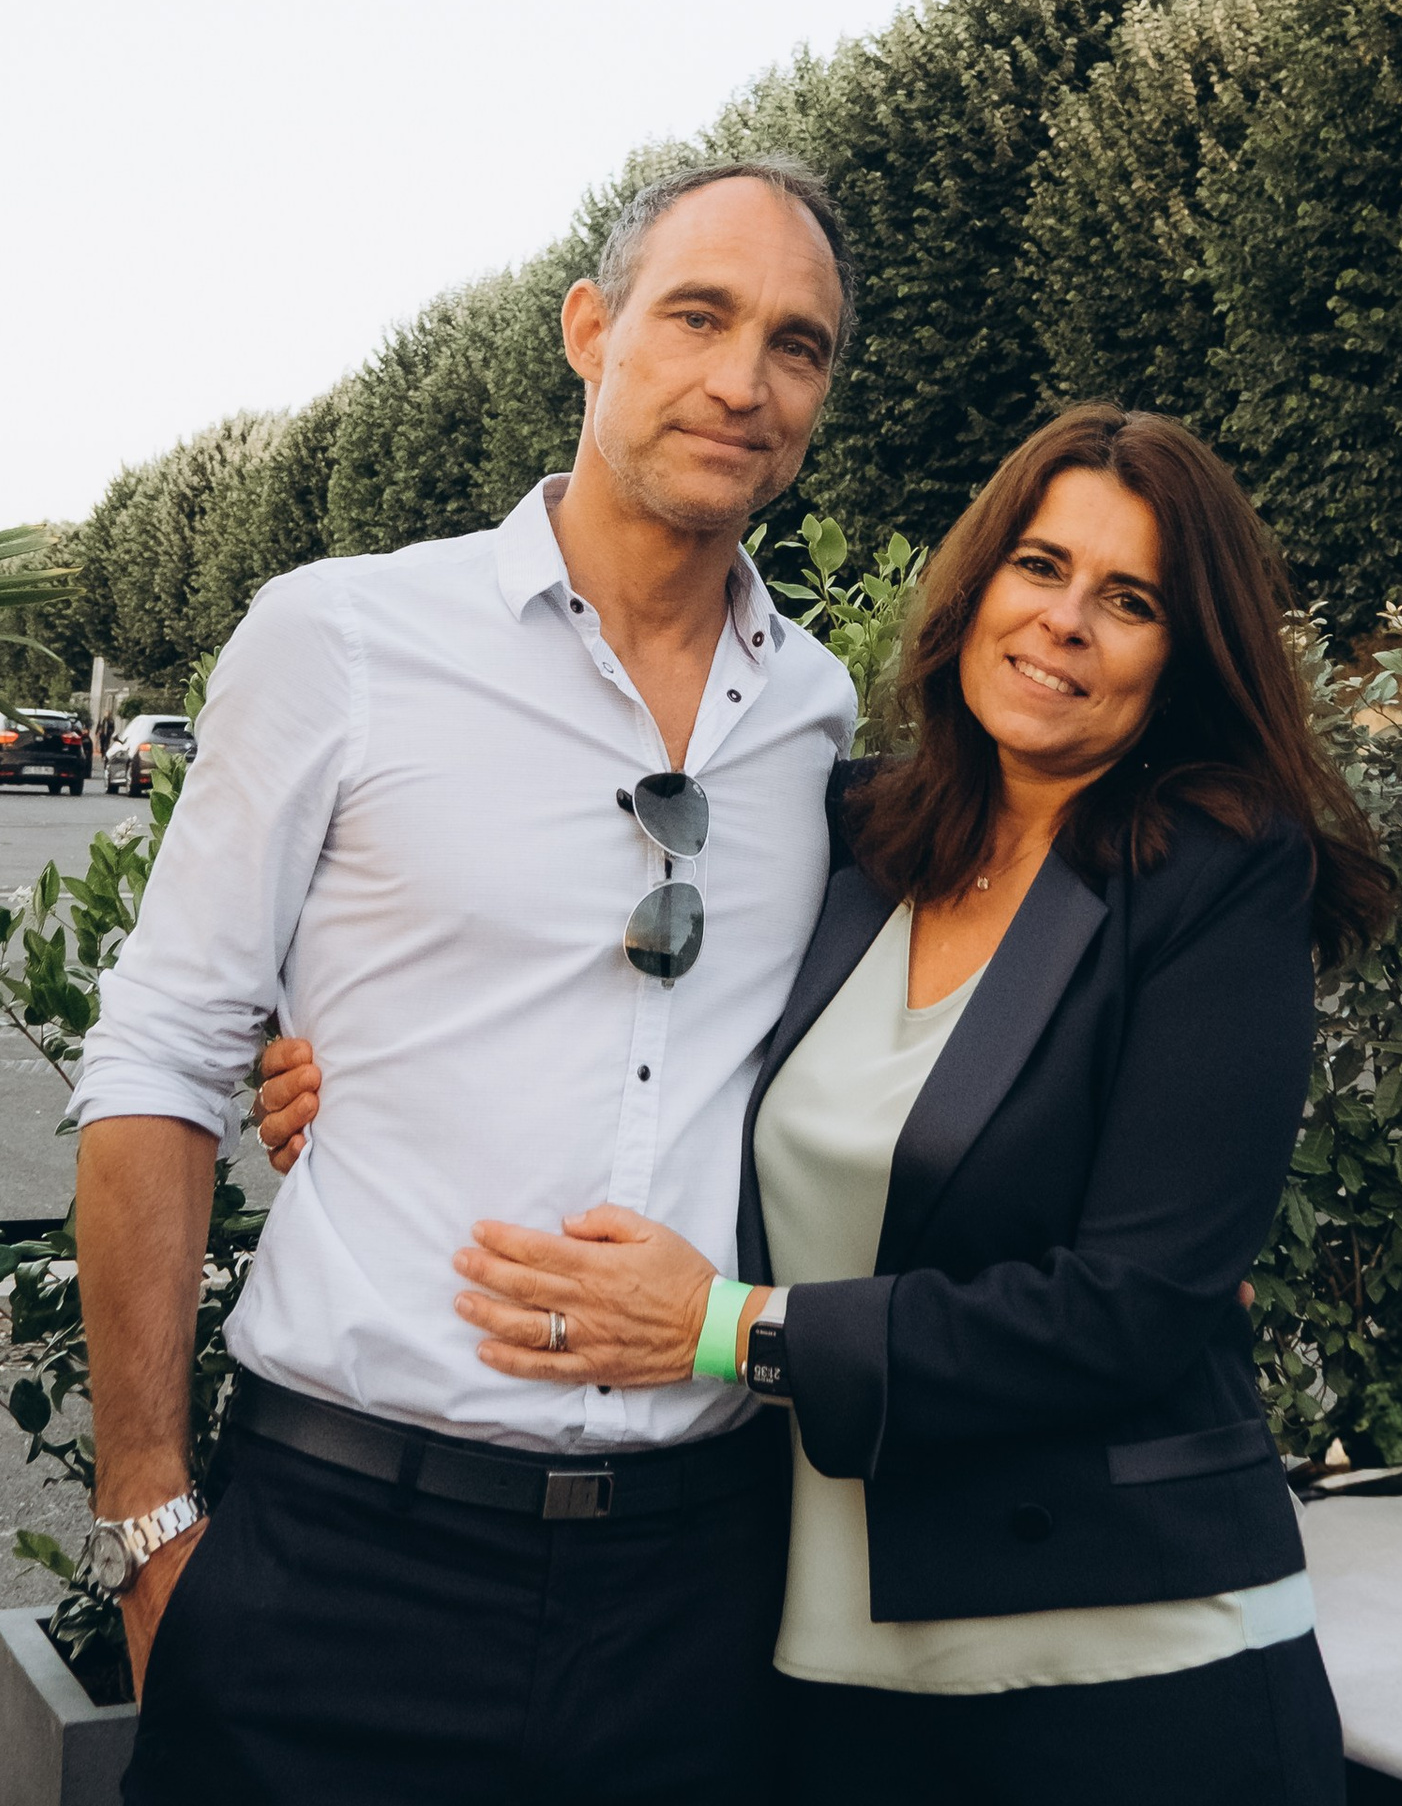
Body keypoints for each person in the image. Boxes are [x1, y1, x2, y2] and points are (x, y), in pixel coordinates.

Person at [424, 403, 1393, 1806]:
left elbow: (1134, 1305)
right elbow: (610, 1005)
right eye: (1041, 566)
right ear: (978, 582)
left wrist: (724, 1329)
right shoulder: (858, 834)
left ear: (1182, 658)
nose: (1066, 621)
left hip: (1128, 1668)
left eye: (1129, 601)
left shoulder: (1217, 874)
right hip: (829, 1662)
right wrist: (345, 1056)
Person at [67, 157, 859, 1806]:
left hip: (698, 1599)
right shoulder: (343, 637)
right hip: (347, 1565)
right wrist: (148, 1513)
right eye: (699, 314)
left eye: (798, 344)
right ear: (590, 327)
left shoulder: (819, 718)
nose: (743, 377)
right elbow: (161, 1052)